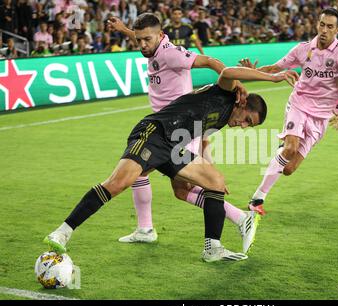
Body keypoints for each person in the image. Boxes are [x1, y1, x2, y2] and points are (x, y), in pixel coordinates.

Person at [44, 66, 298, 262]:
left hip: (173, 147)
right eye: (246, 120)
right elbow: (226, 72)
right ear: (242, 103)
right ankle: (63, 231)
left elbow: (202, 141)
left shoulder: (222, 119)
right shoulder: (226, 94)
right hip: (154, 133)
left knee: (216, 182)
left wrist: (208, 172)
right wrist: (272, 77)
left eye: (248, 127)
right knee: (118, 183)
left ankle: (213, 248)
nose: (242, 126)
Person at [105, 13, 256, 253]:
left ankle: (240, 218)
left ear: (159, 35)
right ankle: (145, 229)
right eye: (139, 39)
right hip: (168, 128)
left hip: (178, 130)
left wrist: (235, 82)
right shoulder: (153, 47)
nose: (142, 43)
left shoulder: (172, 53)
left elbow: (210, 61)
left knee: (169, 184)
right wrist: (124, 30)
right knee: (161, 182)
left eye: (146, 39)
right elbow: (144, 36)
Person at [241, 8, 338, 215]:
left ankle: (283, 148)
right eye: (322, 24)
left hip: (321, 116)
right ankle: (257, 199)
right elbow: (275, 67)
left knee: (288, 168)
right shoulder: (303, 49)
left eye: (330, 26)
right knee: (290, 148)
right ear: (317, 25)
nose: (324, 30)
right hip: (299, 104)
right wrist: (254, 70)